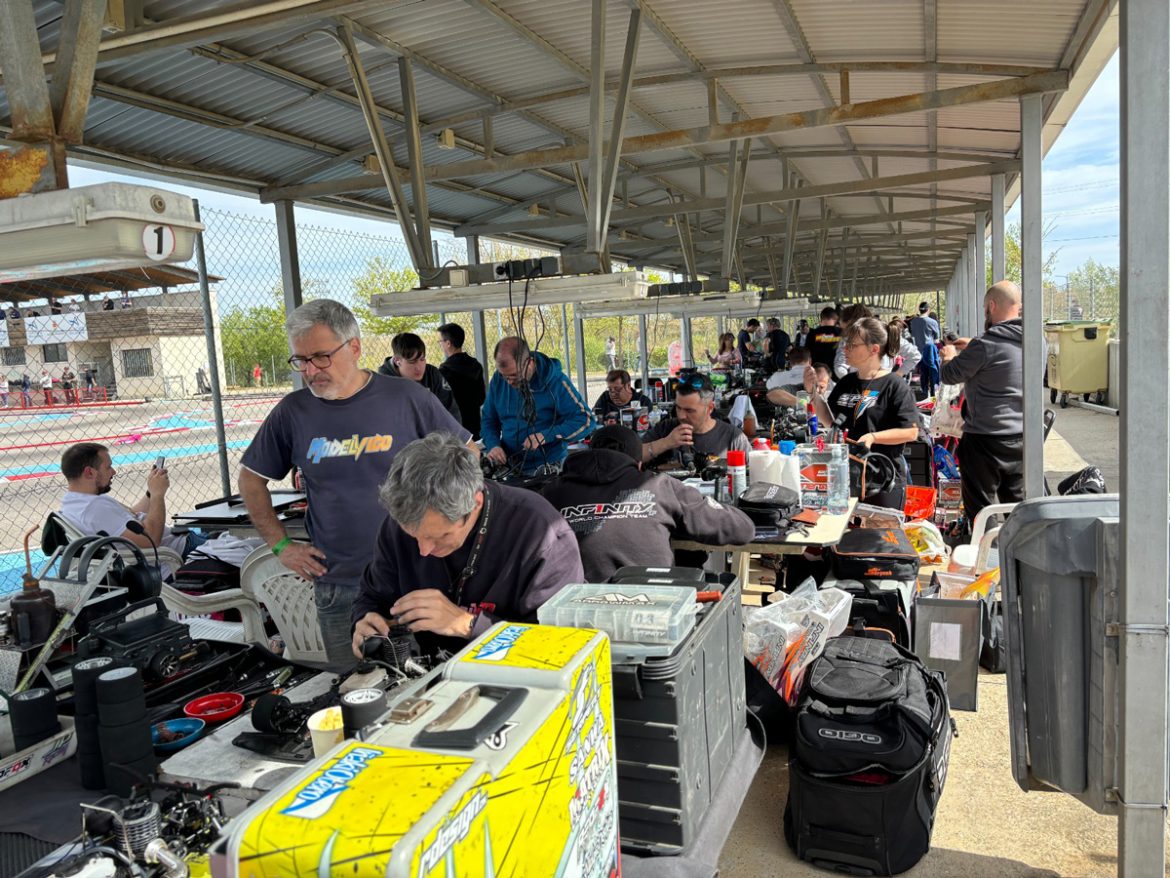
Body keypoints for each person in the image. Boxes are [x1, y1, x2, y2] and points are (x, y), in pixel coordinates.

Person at [239, 299, 469, 668]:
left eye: (320, 357)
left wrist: (453, 533)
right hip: (341, 585)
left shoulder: (408, 398)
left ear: (355, 347)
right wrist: (281, 545)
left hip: (422, 576)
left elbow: (467, 456)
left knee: (438, 686)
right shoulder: (293, 412)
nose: (310, 371)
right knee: (356, 692)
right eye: (300, 361)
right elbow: (251, 480)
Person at [351, 433, 582, 657]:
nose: (423, 550)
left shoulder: (542, 535)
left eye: (440, 536)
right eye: (413, 535)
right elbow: (372, 595)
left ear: (475, 503)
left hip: (516, 681)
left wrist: (468, 625)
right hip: (428, 677)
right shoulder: (398, 525)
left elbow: (559, 645)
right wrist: (365, 620)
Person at [542, 426, 755, 582]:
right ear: (639, 464)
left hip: (576, 618)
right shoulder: (660, 485)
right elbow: (742, 530)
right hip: (652, 612)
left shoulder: (549, 493)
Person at [807, 318, 920, 505]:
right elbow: (831, 422)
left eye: (852, 345)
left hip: (881, 479)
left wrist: (873, 437)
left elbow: (911, 431)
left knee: (881, 534)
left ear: (874, 349)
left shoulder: (895, 385)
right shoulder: (846, 382)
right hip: (846, 476)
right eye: (846, 344)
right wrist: (813, 393)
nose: (846, 349)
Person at [940, 280, 1025, 524]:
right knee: (1018, 509)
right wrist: (972, 349)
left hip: (984, 439)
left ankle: (987, 557)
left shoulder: (984, 345)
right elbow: (1001, 363)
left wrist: (950, 357)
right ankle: (1020, 557)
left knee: (981, 510)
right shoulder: (1035, 340)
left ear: (991, 305)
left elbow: (950, 375)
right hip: (1021, 438)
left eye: (985, 308)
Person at [58, 443, 205, 578]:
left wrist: (150, 492)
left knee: (220, 536)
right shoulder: (94, 508)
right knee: (227, 543)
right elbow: (152, 539)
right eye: (108, 467)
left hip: (177, 546)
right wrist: (158, 494)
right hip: (180, 552)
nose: (113, 472)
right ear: (89, 472)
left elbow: (128, 519)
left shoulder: (73, 503)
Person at [481, 336, 595, 475]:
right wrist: (493, 445)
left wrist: (546, 435)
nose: (509, 382)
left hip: (548, 467)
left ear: (529, 363)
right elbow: (488, 420)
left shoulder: (556, 381)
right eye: (505, 376)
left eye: (514, 375)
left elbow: (586, 420)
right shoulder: (498, 381)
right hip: (510, 467)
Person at [641, 375, 750, 467]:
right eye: (678, 408)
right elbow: (632, 456)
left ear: (710, 408)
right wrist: (666, 443)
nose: (682, 416)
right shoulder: (665, 429)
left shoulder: (733, 438)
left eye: (689, 410)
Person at [378, 332, 461, 421]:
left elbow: (451, 411)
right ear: (397, 361)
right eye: (412, 362)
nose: (418, 367)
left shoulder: (432, 374)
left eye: (422, 359)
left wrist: (454, 434)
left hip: (435, 432)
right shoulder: (383, 383)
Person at [833, 304, 920, 380]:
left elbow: (840, 367)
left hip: (863, 389)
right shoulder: (886, 333)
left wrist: (852, 384)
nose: (845, 333)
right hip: (884, 388)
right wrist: (897, 376)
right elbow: (914, 355)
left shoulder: (848, 339)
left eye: (845, 328)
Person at [437, 322, 486, 440]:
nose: (439, 344)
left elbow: (443, 403)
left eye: (440, 341)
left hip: (455, 428)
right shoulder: (476, 365)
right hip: (475, 425)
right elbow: (481, 398)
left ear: (448, 343)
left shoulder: (444, 370)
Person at [910, 302, 942, 397]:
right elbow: (936, 340)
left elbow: (913, 336)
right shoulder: (933, 322)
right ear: (928, 310)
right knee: (933, 373)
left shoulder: (913, 322)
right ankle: (932, 396)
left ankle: (924, 392)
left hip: (918, 352)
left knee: (923, 373)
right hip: (930, 351)